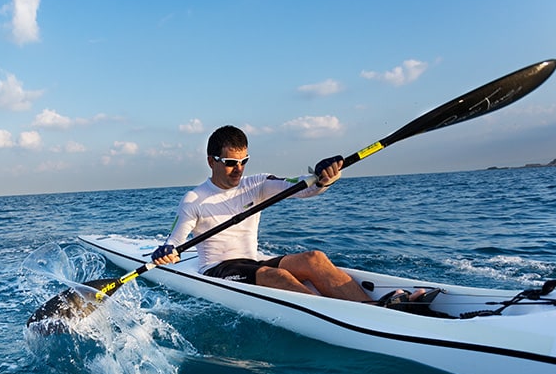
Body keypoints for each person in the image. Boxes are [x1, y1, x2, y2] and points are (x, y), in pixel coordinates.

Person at [152, 125, 432, 306]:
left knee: (315, 259)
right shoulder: (194, 199)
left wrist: (322, 179)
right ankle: (353, 314)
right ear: (211, 160)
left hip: (252, 261)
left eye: (243, 162)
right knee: (277, 277)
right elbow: (174, 243)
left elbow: (301, 188)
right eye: (230, 163)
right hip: (219, 269)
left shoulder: (257, 183)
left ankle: (372, 308)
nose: (239, 169)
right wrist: (166, 251)